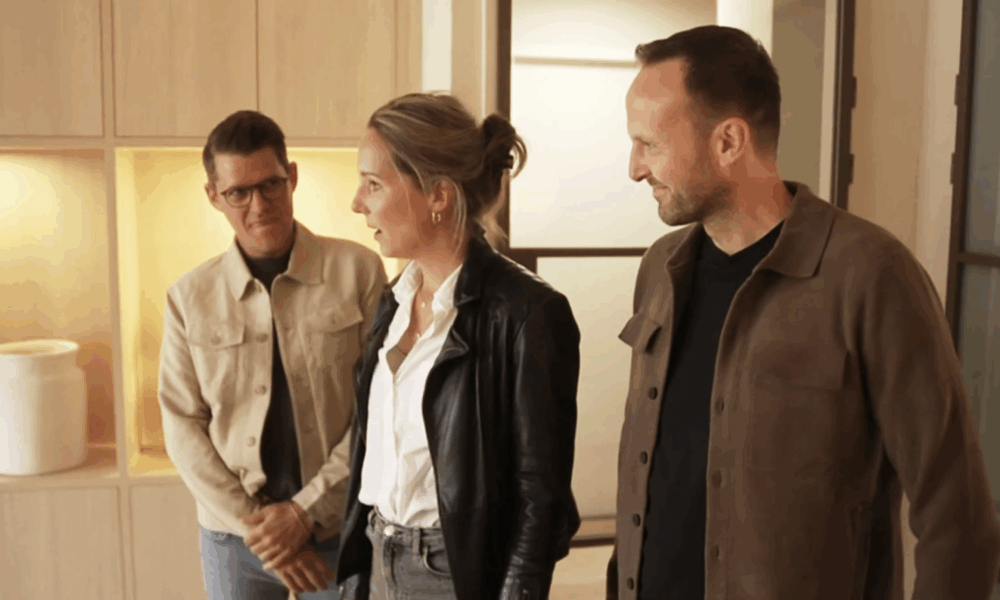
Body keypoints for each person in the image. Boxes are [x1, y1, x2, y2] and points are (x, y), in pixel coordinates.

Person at [608, 25, 1000, 600]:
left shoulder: (871, 275)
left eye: (650, 145)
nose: (634, 168)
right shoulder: (660, 267)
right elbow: (650, 465)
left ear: (729, 141)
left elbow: (956, 513)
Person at [334, 92, 582, 600]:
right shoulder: (393, 301)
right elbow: (371, 454)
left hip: (453, 576)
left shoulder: (527, 314)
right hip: (379, 559)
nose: (357, 202)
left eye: (374, 184)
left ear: (439, 196)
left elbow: (542, 500)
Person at [158, 110, 387, 599]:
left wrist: (304, 513)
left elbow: (378, 410)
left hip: (335, 527)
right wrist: (263, 533)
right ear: (213, 196)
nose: (259, 205)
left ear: (292, 177)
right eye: (238, 192)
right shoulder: (187, 298)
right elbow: (182, 425)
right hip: (233, 538)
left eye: (271, 185)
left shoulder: (360, 271)